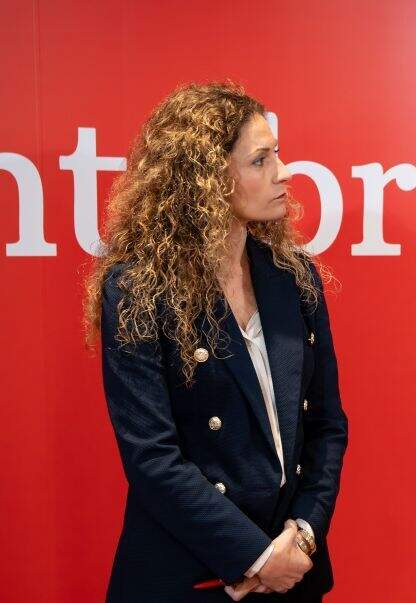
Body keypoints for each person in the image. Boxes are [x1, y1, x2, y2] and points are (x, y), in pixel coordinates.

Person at [84, 82, 348, 602]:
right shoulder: (138, 290)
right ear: (206, 179)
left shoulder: (295, 278)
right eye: (260, 160)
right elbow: (152, 458)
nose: (284, 172)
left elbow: (327, 425)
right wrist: (257, 556)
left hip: (292, 573)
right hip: (191, 575)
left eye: (277, 154)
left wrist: (302, 535)